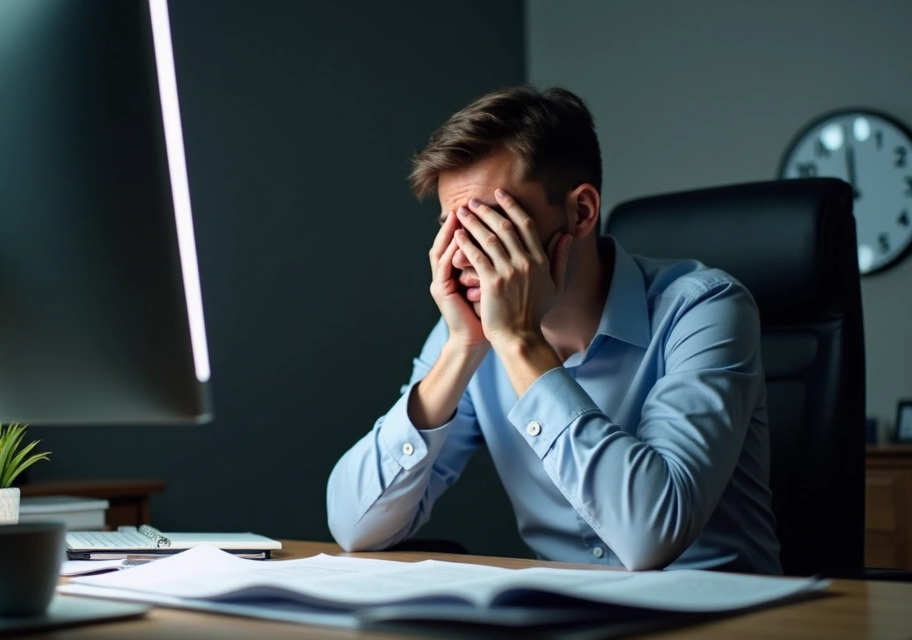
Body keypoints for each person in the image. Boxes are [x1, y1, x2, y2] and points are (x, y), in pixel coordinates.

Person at [326, 86, 781, 573]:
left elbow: (651, 535)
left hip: (721, 615)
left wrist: (521, 344)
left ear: (580, 212)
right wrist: (461, 349)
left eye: (490, 222)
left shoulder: (704, 308)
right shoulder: (469, 331)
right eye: (451, 227)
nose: (463, 255)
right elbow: (354, 525)